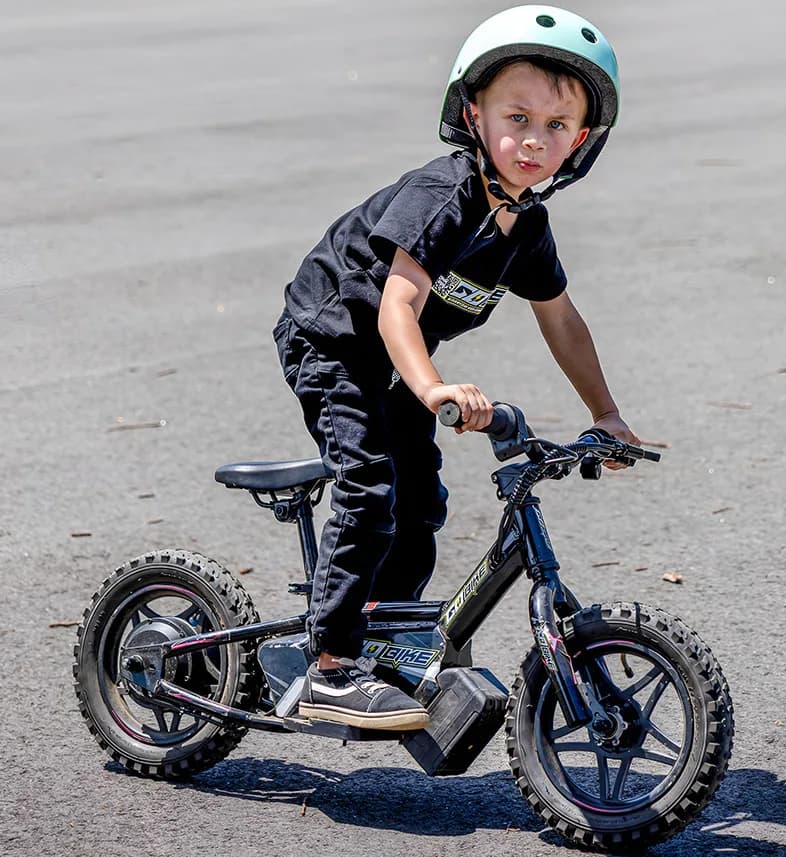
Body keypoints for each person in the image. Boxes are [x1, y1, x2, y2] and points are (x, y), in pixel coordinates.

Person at [273, 5, 640, 731]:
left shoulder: (526, 226)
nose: (535, 140)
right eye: (518, 117)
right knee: (368, 484)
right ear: (473, 113)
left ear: (583, 139)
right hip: (334, 339)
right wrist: (433, 386)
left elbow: (561, 319)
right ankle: (330, 667)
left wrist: (606, 413)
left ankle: (380, 626)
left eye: (558, 126)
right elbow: (395, 307)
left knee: (421, 503)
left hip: (396, 362)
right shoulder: (447, 195)